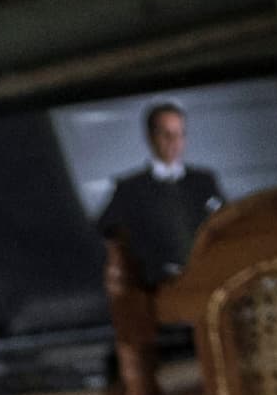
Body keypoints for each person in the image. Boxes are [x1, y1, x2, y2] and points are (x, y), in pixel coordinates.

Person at [92, 100, 223, 284]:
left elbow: (226, 221)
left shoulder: (204, 180)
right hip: (156, 286)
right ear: (151, 137)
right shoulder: (130, 188)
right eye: (166, 134)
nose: (174, 142)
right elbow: (105, 230)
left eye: (179, 134)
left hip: (207, 279)